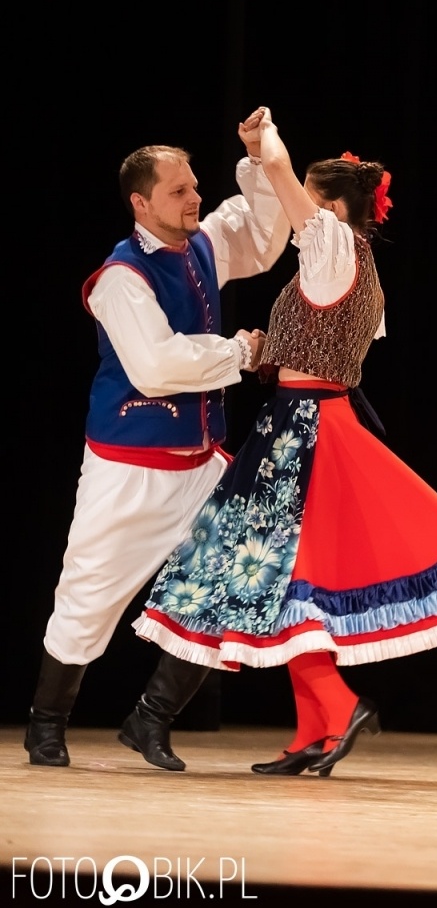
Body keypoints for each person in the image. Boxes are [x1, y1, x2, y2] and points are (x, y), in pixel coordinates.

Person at [133, 107, 437, 776]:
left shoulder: (333, 248)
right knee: (296, 583)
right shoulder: (351, 268)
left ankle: (336, 705)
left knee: (283, 575)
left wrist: (266, 147)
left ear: (327, 207)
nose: (300, 219)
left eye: (309, 207)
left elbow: (290, 189)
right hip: (311, 419)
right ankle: (315, 728)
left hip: (305, 431)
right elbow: (328, 348)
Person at [24, 136, 290, 771]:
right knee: (89, 595)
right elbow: (155, 366)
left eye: (195, 184)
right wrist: (242, 352)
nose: (196, 197)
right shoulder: (121, 279)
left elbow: (258, 234)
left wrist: (259, 161)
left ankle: (150, 719)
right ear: (141, 204)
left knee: (237, 574)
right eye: (180, 190)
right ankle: (46, 724)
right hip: (130, 469)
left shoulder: (199, 243)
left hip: (198, 464)